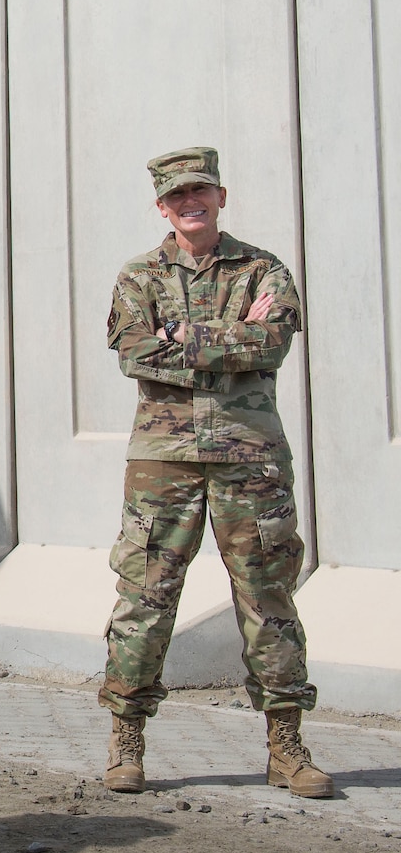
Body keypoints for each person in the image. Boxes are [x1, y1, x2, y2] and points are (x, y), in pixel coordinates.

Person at [100, 147, 332, 799]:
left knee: (269, 599)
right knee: (144, 599)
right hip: (162, 461)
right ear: (162, 206)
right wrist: (229, 338)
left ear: (220, 196)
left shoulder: (264, 269)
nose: (189, 203)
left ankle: (285, 747)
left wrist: (183, 334)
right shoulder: (138, 274)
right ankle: (126, 739)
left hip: (249, 457)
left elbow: (275, 341)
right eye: (177, 196)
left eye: (199, 191)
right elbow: (135, 352)